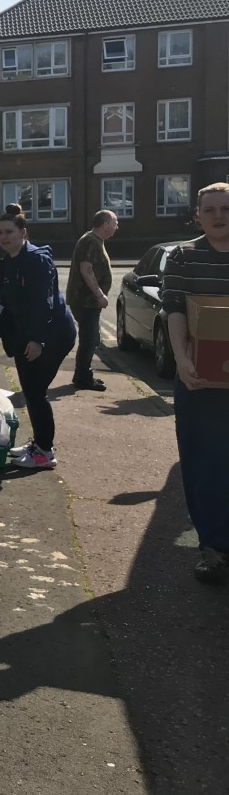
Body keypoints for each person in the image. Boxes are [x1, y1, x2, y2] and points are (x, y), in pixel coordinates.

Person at [160, 182, 229, 583]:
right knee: (204, 464)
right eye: (210, 209)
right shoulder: (184, 256)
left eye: (226, 209)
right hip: (198, 381)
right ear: (198, 214)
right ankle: (214, 546)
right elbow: (173, 309)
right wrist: (182, 360)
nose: (219, 216)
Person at [0, 203, 76, 469]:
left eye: (9, 231)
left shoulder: (37, 260)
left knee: (35, 393)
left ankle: (44, 453)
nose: (3, 237)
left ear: (23, 232)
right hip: (24, 335)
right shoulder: (4, 264)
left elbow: (43, 303)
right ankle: (39, 444)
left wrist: (38, 340)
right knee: (32, 391)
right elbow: (0, 304)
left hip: (52, 334)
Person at [63, 210, 119, 391]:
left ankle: (83, 375)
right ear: (104, 224)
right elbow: (86, 269)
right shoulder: (90, 241)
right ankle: (83, 378)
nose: (117, 226)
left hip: (87, 301)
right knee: (90, 339)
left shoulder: (95, 241)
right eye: (114, 222)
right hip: (84, 300)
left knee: (91, 338)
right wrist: (99, 295)